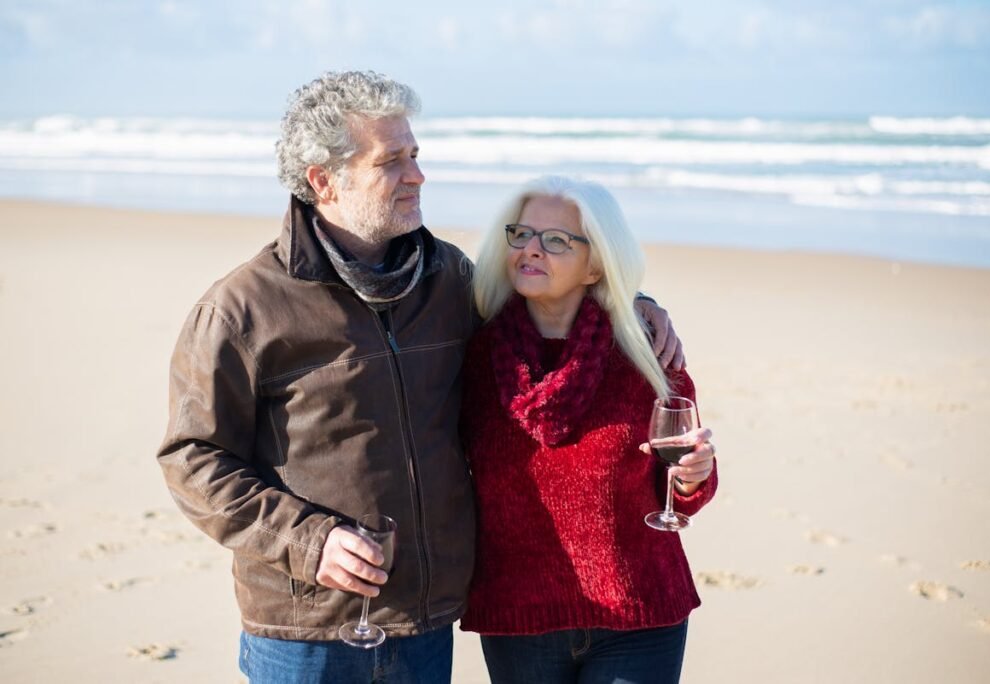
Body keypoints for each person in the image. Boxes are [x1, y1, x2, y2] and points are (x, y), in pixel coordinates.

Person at [155, 71, 683, 683]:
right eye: (391, 161)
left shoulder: (449, 280)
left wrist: (632, 300)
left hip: (426, 624)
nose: (417, 175)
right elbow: (193, 458)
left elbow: (548, 299)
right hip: (309, 631)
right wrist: (308, 542)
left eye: (415, 154)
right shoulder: (244, 308)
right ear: (324, 180)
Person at [459, 176, 718, 683]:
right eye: (521, 234)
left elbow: (684, 492)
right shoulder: (472, 356)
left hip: (638, 616)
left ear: (596, 263)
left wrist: (691, 476)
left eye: (555, 240)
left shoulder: (646, 358)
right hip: (519, 619)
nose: (531, 250)